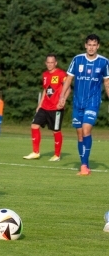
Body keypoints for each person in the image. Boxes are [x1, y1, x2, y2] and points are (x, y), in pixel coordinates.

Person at [57, 34, 109, 176]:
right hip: (77, 102)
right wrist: (62, 96)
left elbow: (107, 82)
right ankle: (84, 164)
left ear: (98, 46)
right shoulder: (77, 59)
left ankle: (84, 166)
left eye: (94, 45)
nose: (91, 47)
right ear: (85, 45)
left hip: (92, 102)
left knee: (86, 130)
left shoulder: (104, 62)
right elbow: (68, 79)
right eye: (89, 44)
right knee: (80, 135)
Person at [24, 54, 69, 161]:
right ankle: (35, 152)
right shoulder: (44, 75)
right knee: (34, 125)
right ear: (45, 63)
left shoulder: (61, 74)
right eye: (48, 62)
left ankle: (57, 155)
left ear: (55, 63)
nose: (49, 64)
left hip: (56, 108)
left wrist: (63, 100)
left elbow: (68, 89)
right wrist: (39, 104)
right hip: (44, 107)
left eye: (52, 62)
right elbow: (45, 90)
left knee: (56, 131)